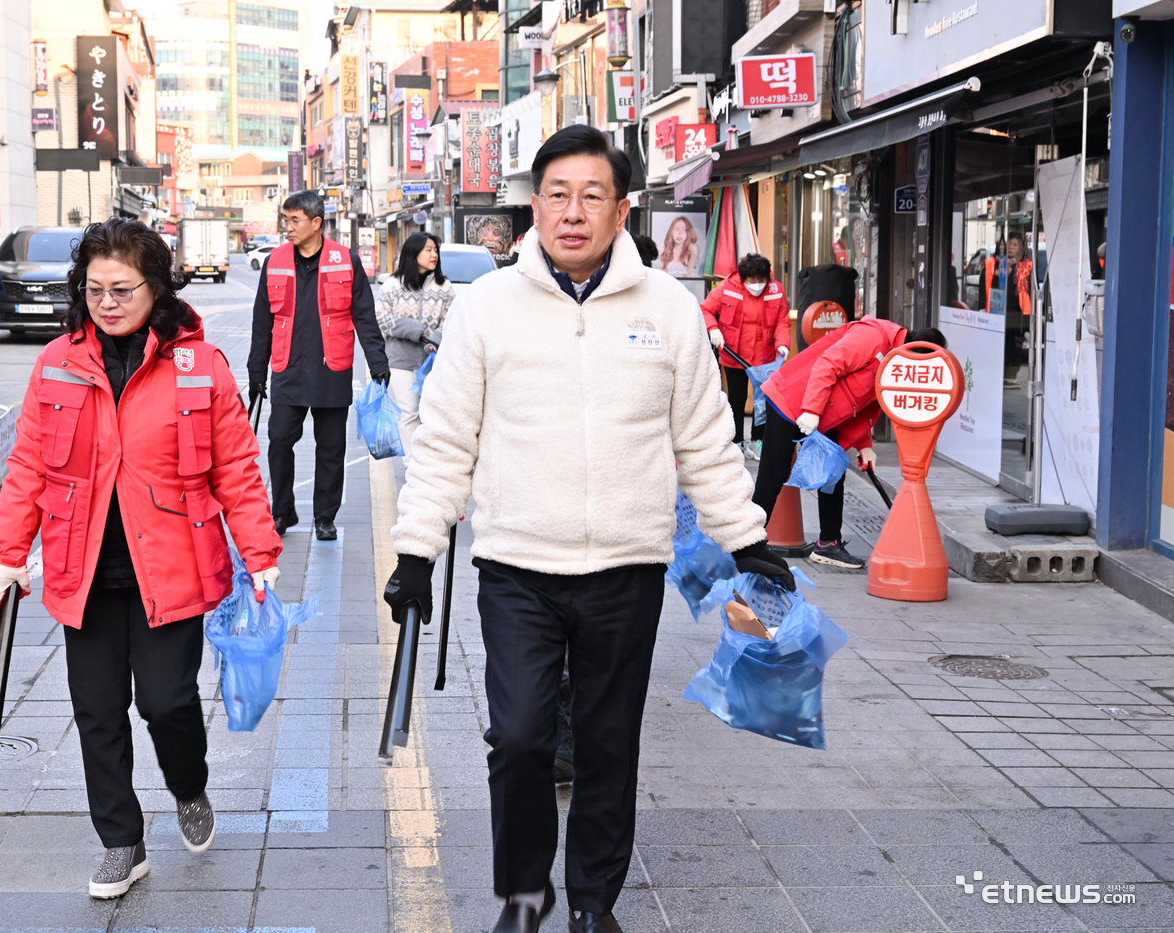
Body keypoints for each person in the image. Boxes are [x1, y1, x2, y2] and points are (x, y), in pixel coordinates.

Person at [381, 125, 793, 933]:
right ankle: (525, 894)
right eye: (559, 195)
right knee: (523, 739)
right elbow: (445, 437)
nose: (574, 212)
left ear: (621, 208)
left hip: (627, 570)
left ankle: (592, 903)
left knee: (608, 747)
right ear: (534, 206)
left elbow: (705, 439)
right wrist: (414, 551)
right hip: (516, 567)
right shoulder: (487, 308)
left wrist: (746, 540)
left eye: (592, 196)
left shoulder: (667, 310)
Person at [0, 218, 282, 898]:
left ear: (156, 287)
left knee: (167, 700)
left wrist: (259, 549)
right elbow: (28, 462)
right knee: (96, 708)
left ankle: (189, 784)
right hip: (81, 568)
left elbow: (236, 467)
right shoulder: (56, 361)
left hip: (172, 563)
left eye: (122, 288)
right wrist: (8, 551)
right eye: (94, 289)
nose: (108, 302)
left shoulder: (198, 365)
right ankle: (121, 839)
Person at [247, 190, 390, 541]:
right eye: (286, 220)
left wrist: (378, 362)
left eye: (294, 220)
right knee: (279, 440)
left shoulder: (346, 260)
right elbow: (261, 321)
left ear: (316, 223)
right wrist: (255, 370)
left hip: (332, 369)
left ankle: (325, 517)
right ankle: (282, 512)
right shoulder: (275, 261)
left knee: (331, 448)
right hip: (288, 370)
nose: (288, 227)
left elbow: (364, 316)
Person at [754, 318, 947, 570]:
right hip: (791, 398)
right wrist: (811, 410)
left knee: (833, 473)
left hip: (825, 412)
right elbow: (827, 364)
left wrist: (865, 445)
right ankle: (749, 541)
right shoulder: (874, 337)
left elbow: (866, 400)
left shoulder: (895, 361)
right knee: (774, 472)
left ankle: (828, 543)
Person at [700, 253, 790, 460]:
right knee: (737, 399)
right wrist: (713, 329)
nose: (757, 285)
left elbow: (782, 322)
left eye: (761, 280)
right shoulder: (727, 288)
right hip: (734, 353)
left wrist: (783, 345)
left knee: (763, 401)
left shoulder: (776, 291)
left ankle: (758, 442)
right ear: (743, 278)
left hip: (764, 357)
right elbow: (704, 309)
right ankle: (737, 441)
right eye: (752, 281)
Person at [375, 233, 455, 457]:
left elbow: (452, 319)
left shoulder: (444, 287)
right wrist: (411, 330)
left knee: (431, 414)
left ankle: (430, 460)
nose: (434, 255)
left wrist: (436, 339)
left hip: (434, 361)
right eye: (428, 250)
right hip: (400, 360)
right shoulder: (392, 285)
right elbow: (381, 317)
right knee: (408, 412)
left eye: (435, 250)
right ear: (413, 253)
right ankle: (412, 465)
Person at [985, 233, 1032, 379]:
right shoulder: (994, 264)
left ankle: (1010, 376)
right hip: (996, 313)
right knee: (998, 346)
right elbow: (984, 287)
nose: (1011, 247)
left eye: (1015, 244)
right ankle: (998, 375)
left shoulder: (1026, 266)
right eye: (1008, 244)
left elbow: (1030, 290)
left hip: (1017, 316)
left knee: (1015, 347)